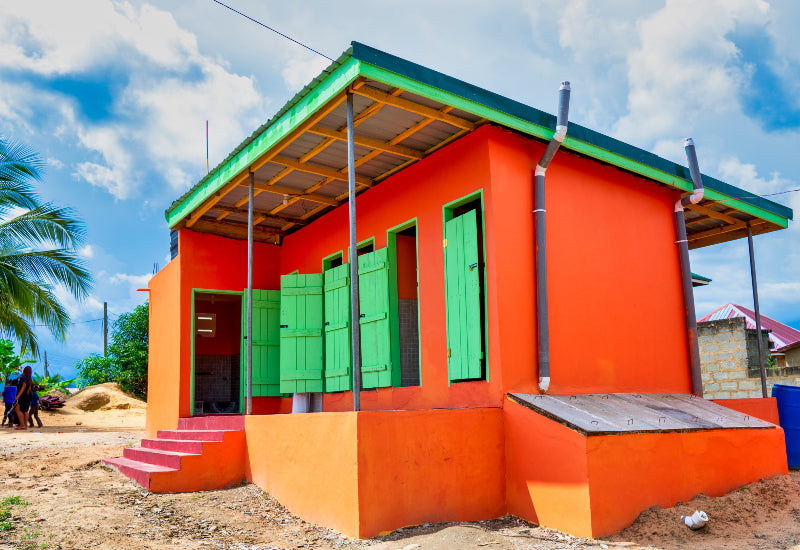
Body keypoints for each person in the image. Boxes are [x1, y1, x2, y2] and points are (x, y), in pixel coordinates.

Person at [14, 366, 32, 431]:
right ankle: (25, 425)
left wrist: (18, 396)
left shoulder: (24, 378)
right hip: (27, 395)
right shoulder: (29, 379)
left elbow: (23, 387)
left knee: (17, 409)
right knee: (25, 410)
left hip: (23, 395)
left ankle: (22, 425)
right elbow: (28, 388)